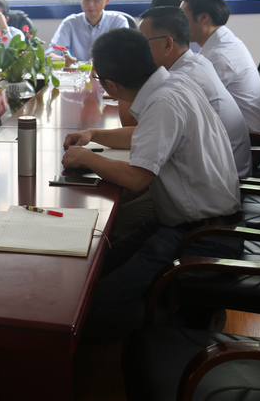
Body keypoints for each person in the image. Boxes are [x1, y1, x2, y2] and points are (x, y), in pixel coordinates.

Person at [62, 28, 243, 333]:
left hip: (203, 237)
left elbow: (136, 179)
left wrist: (85, 158)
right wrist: (93, 135)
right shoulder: (173, 83)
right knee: (98, 264)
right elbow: (147, 135)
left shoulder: (162, 103)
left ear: (110, 85)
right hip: (183, 222)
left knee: (98, 303)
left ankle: (192, 324)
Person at [119, 6, 251, 177]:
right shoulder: (195, 62)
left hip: (220, 175)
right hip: (214, 167)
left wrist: (126, 72)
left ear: (168, 44)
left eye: (143, 42)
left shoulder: (181, 79)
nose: (137, 50)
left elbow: (133, 125)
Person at [181, 0, 260, 133]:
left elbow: (188, 99)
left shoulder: (220, 56)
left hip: (252, 138)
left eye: (184, 17)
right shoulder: (223, 42)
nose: (180, 24)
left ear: (203, 17)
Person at [48, 0, 130, 65]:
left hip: (106, 72)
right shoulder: (70, 23)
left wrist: (100, 61)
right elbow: (51, 54)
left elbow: (123, 55)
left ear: (107, 0)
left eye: (96, 0)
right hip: (75, 73)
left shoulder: (118, 22)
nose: (90, 5)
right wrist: (62, 59)